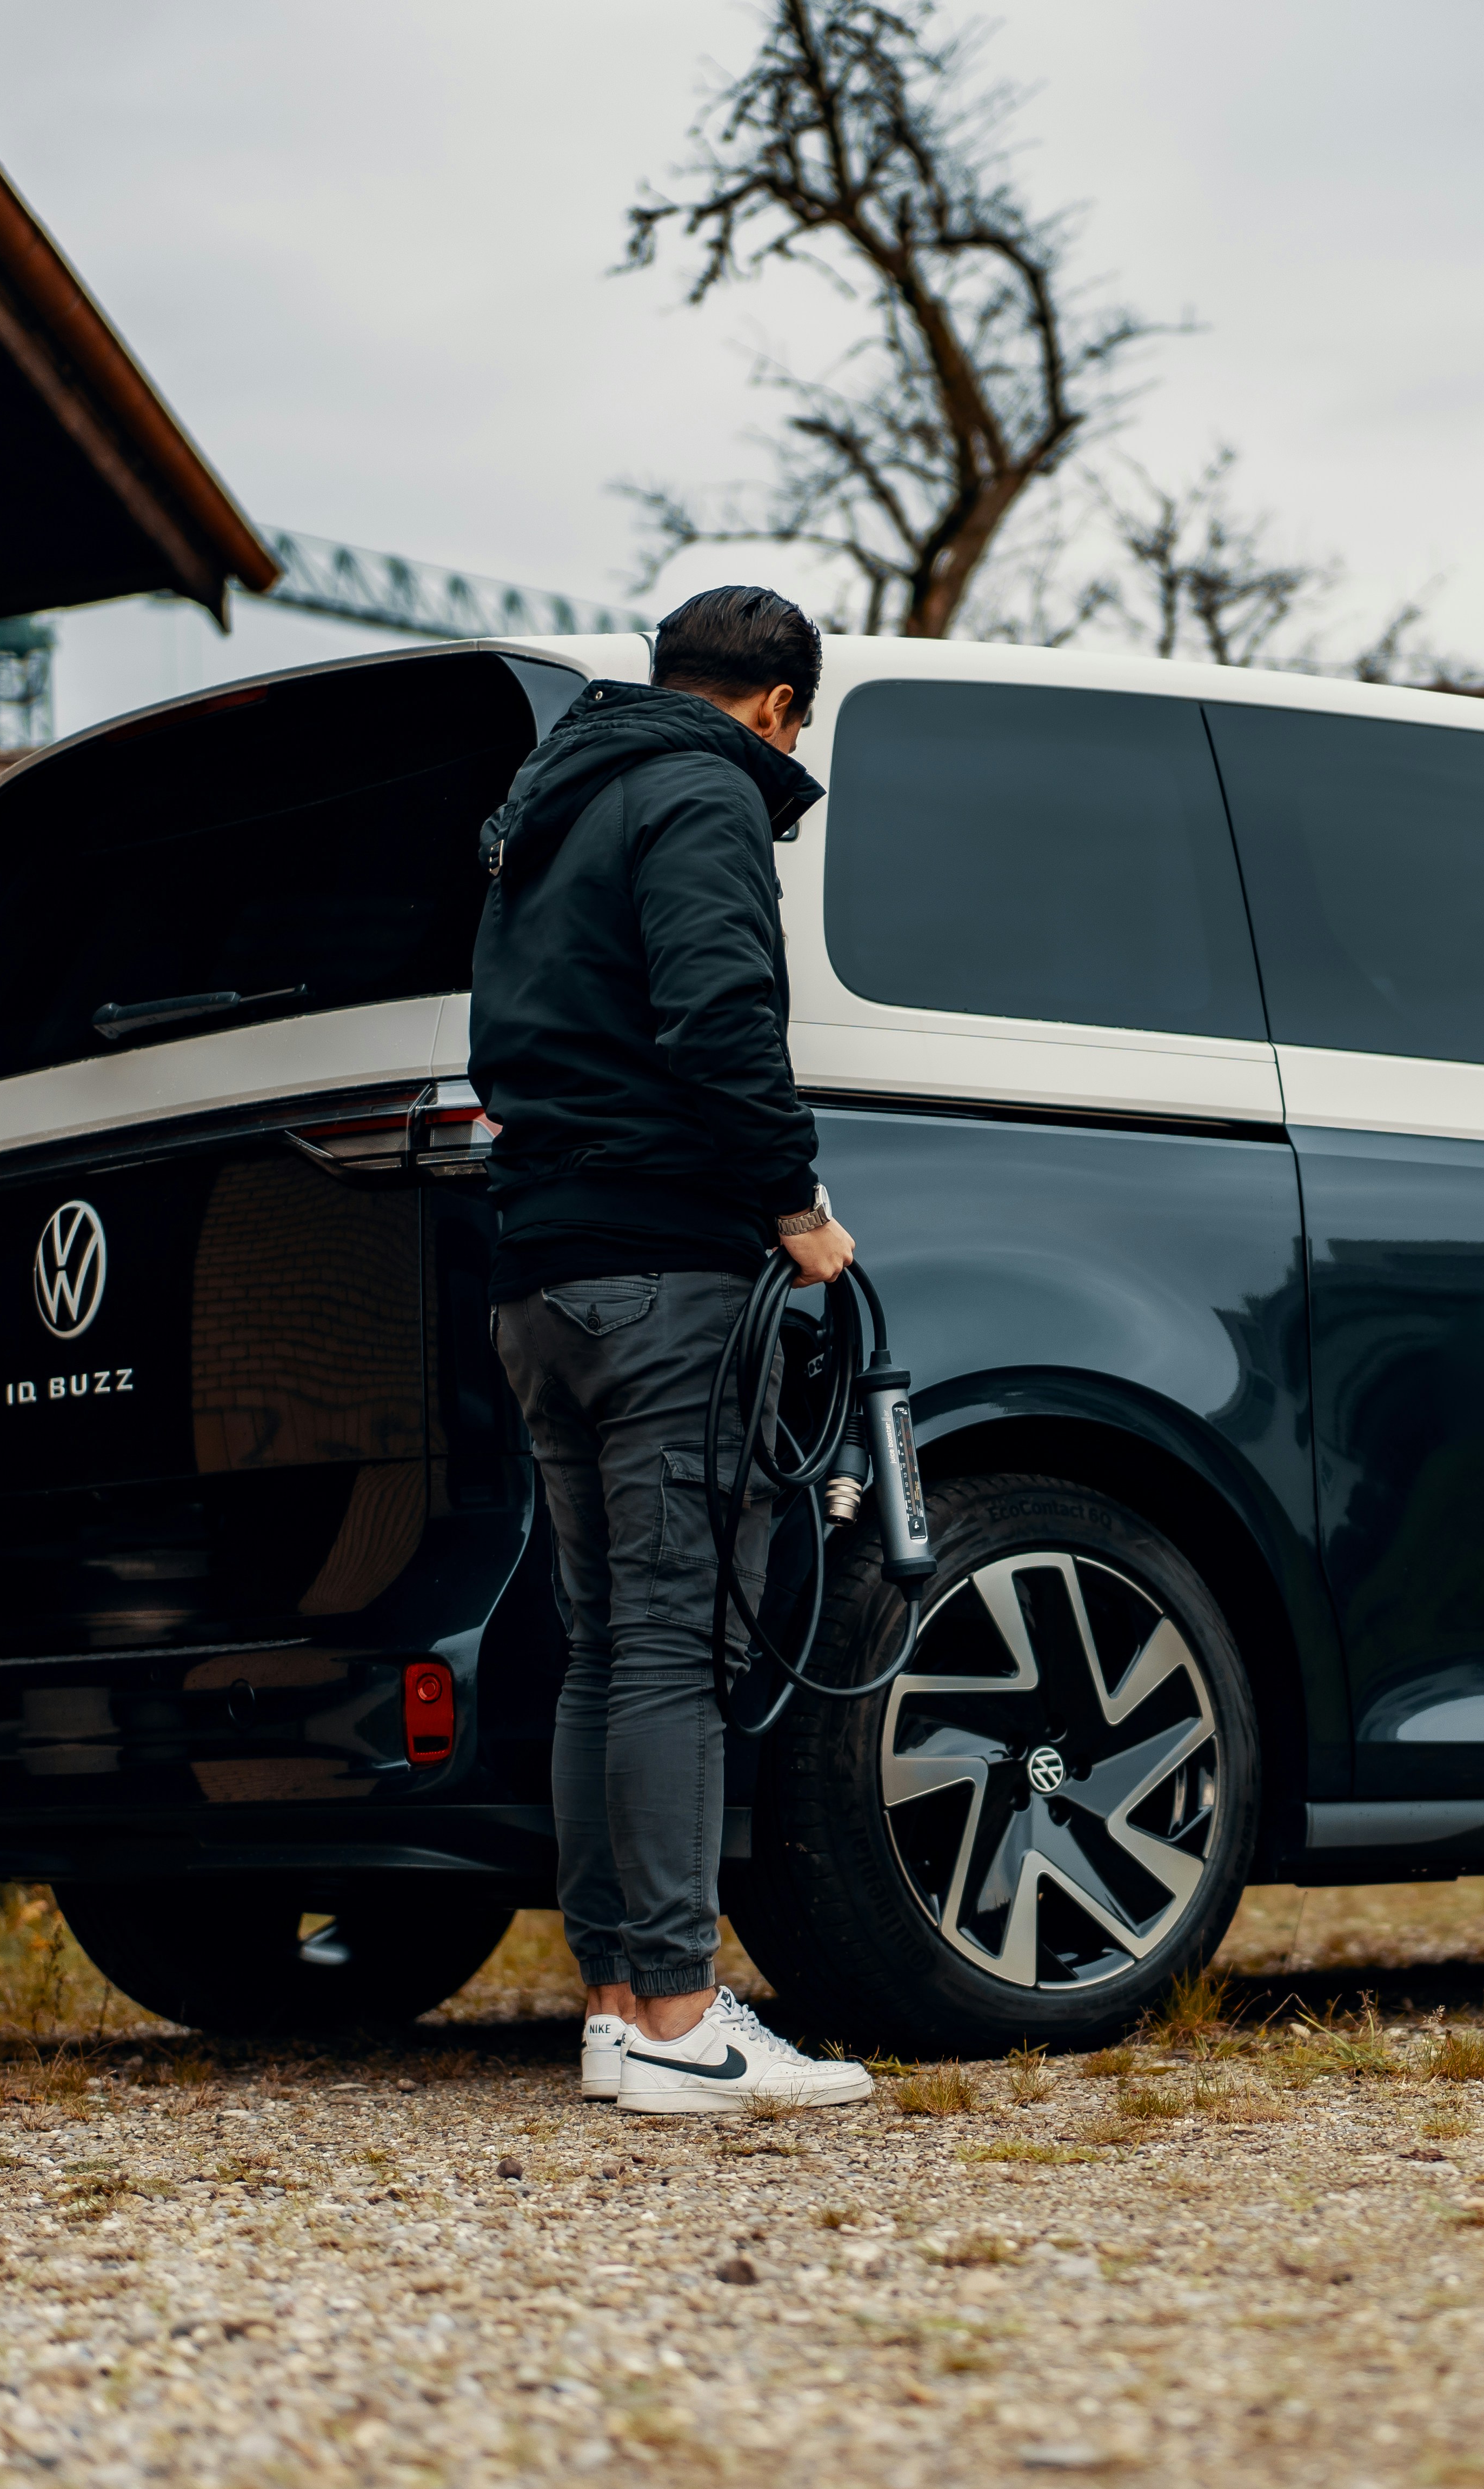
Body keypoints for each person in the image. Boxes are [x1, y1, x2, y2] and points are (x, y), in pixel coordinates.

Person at [470, 585, 881, 2109]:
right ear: (778, 704)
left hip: (545, 1277)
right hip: (664, 1272)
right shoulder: (701, 789)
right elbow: (717, 1018)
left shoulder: (550, 803)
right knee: (670, 1644)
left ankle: (616, 2002)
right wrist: (795, 1203)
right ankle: (680, 2021)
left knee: (606, 1645)